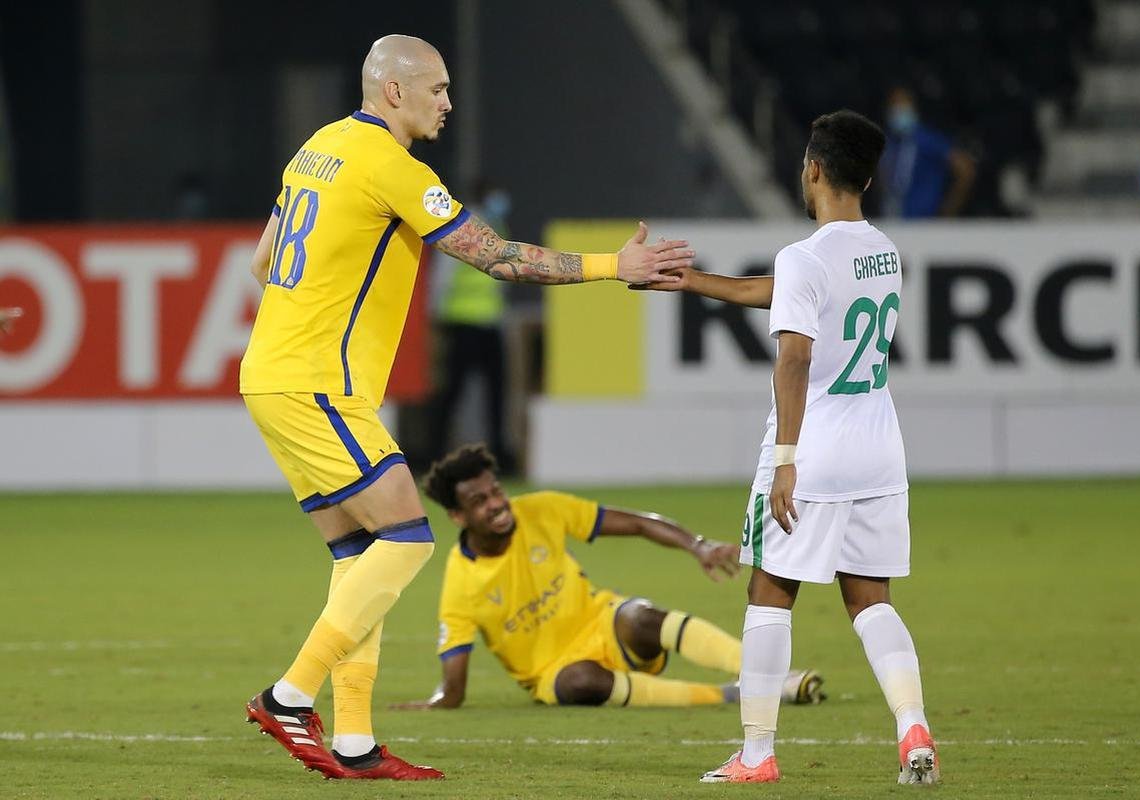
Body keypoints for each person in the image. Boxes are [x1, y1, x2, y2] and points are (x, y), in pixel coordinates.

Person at [238, 34, 694, 782]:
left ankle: (352, 740)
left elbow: (264, 262)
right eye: (438, 89)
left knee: (359, 557)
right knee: (411, 537)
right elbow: (498, 256)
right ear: (394, 92)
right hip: (316, 384)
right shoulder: (394, 167)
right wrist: (619, 266)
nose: (448, 103)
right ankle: (290, 696)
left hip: (280, 375)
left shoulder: (316, 148)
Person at [639, 110, 938, 785]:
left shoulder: (804, 255)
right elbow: (787, 297)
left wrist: (786, 459)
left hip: (815, 450)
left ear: (812, 168)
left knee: (770, 590)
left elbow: (795, 356)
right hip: (878, 450)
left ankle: (756, 754)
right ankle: (912, 725)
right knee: (871, 600)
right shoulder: (882, 250)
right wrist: (691, 283)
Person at [398, 444, 825, 711]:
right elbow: (453, 686)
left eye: (495, 491)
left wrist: (696, 545)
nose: (496, 504)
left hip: (605, 624)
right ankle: (730, 696)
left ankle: (765, 677)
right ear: (458, 516)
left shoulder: (540, 509)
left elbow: (635, 522)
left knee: (641, 616)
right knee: (582, 681)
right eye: (479, 501)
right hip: (557, 672)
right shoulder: (460, 584)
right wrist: (435, 702)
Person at [428, 180, 516, 472]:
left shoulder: (497, 226)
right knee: (453, 394)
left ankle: (499, 457)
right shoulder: (466, 228)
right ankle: (434, 454)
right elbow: (442, 277)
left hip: (489, 324)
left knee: (495, 395)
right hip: (462, 324)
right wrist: (436, 317)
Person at [878, 86, 975, 218]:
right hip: (893, 220)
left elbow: (965, 169)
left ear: (913, 107)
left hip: (924, 222)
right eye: (894, 104)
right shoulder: (888, 143)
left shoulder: (926, 139)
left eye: (903, 103)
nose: (898, 109)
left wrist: (949, 211)